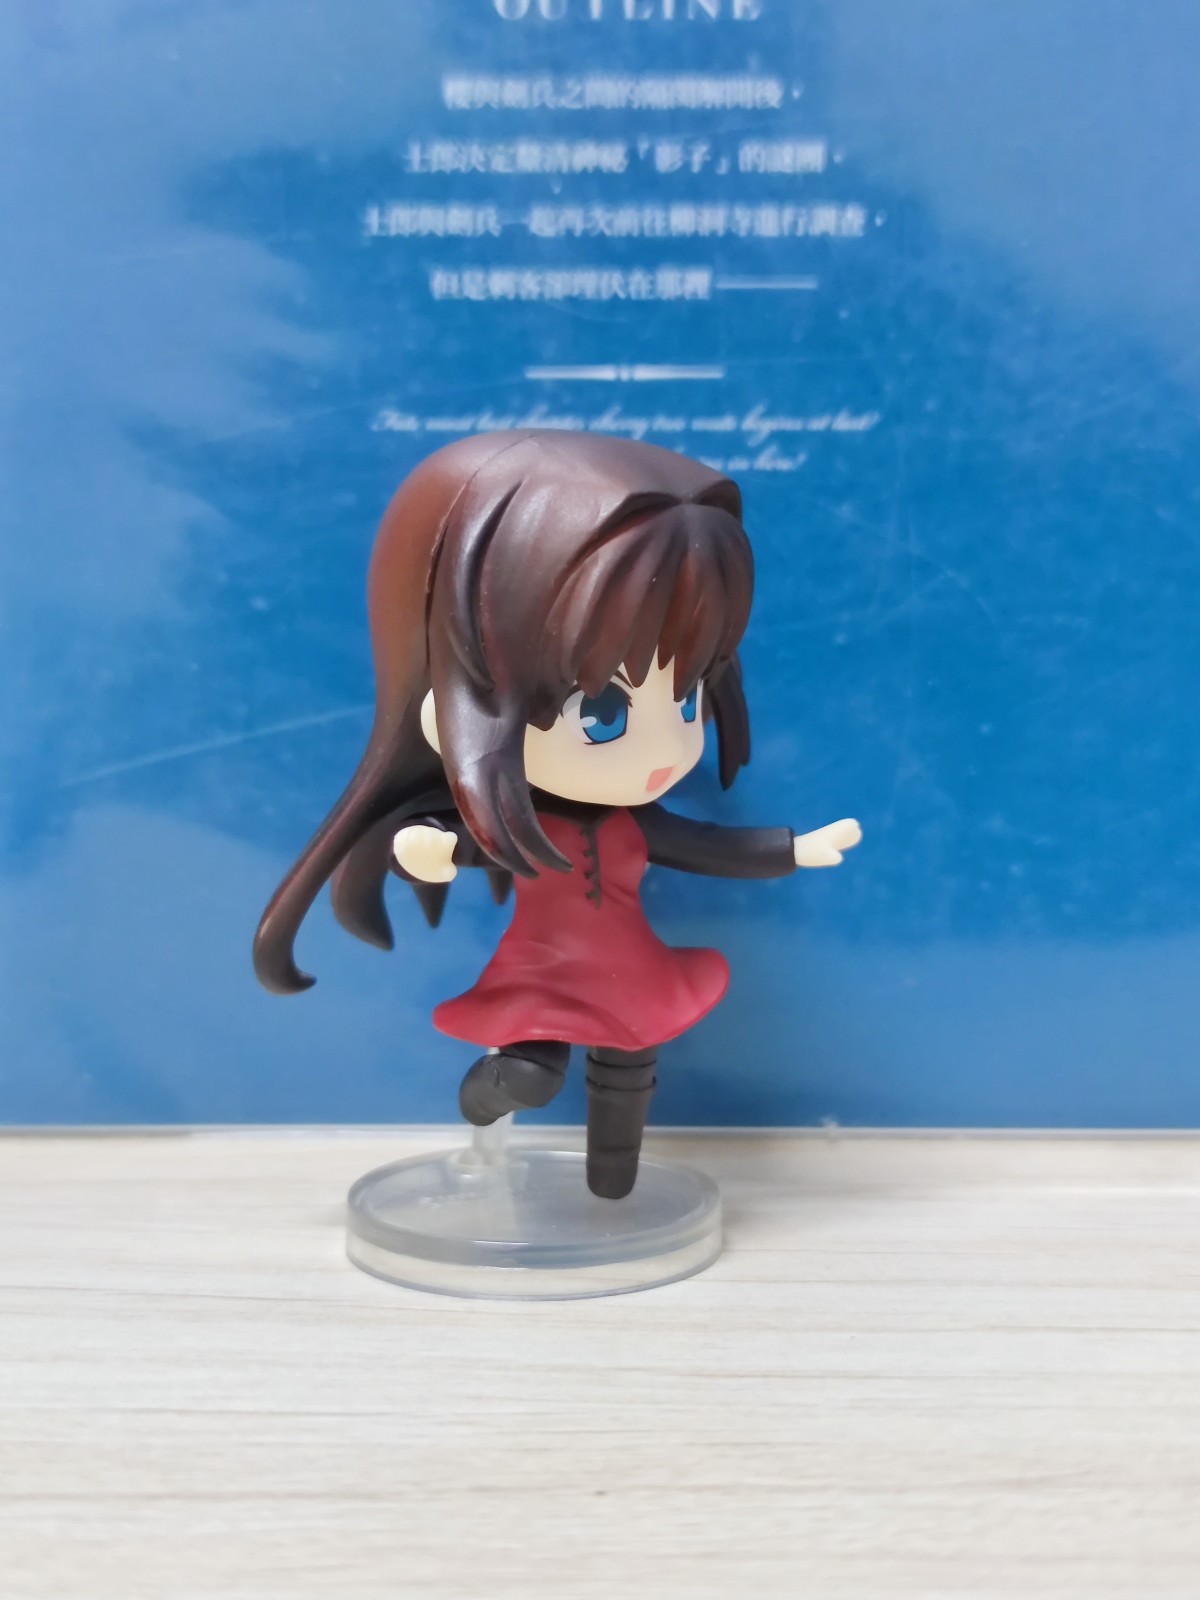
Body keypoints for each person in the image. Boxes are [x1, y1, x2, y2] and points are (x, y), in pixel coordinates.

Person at [254, 430, 860, 1197]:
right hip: (544, 974)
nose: (662, 749)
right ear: (451, 710)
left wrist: (793, 849)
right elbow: (461, 845)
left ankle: (614, 1184)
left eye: (685, 699)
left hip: (633, 972)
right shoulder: (527, 826)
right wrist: (429, 846)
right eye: (602, 713)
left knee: (629, 1070)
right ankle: (485, 1102)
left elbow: (704, 843)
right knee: (533, 1072)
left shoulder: (634, 824)